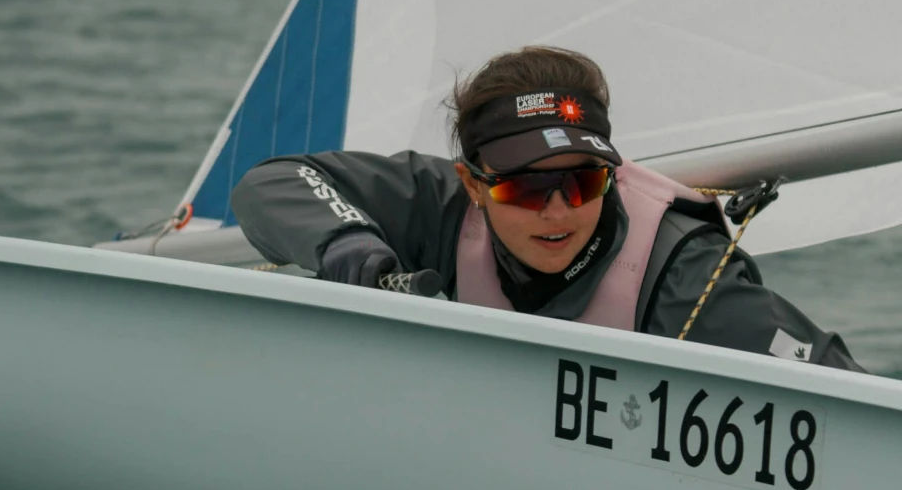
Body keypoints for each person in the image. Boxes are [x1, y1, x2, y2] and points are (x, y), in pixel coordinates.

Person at [231, 45, 859, 365]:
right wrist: (356, 259)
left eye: (584, 182)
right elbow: (272, 184)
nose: (558, 211)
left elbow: (839, 397)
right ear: (473, 184)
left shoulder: (683, 277)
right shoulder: (441, 207)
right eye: (527, 189)